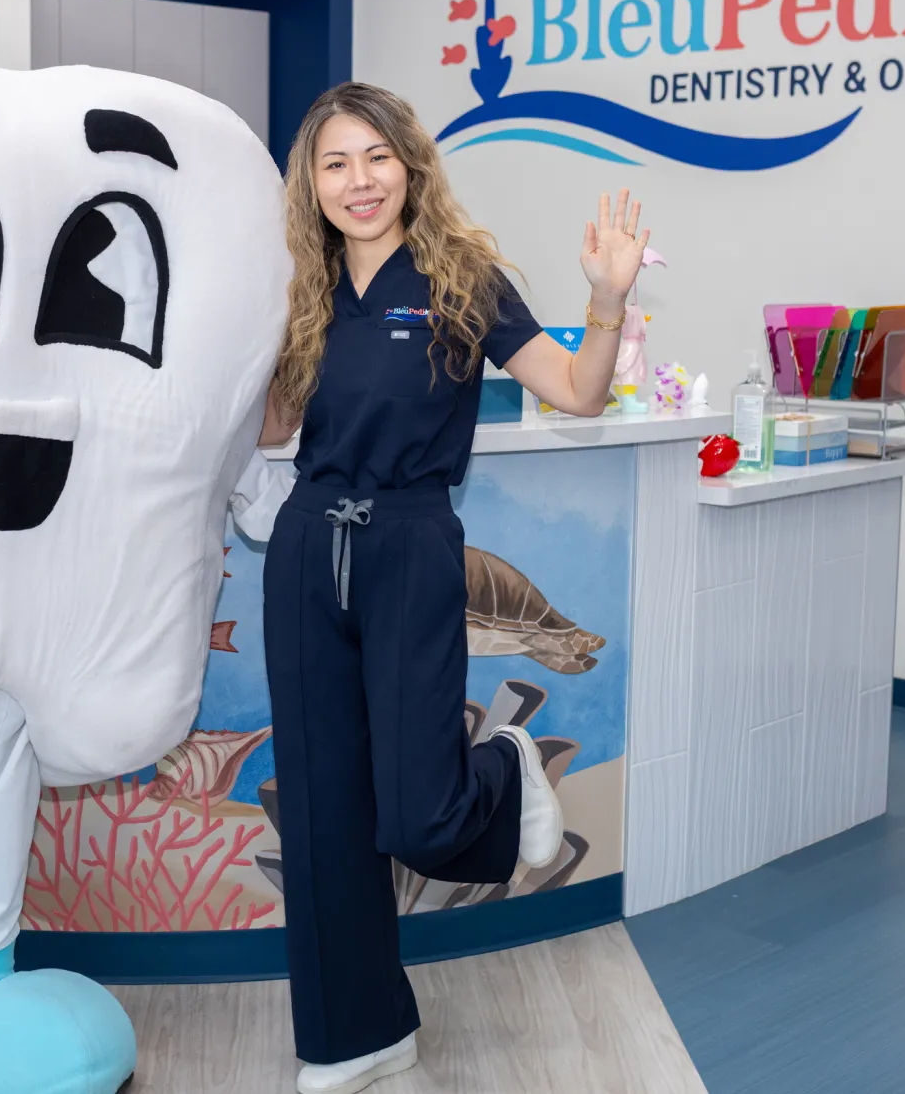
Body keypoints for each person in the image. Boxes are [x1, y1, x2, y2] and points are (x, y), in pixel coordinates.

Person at [256, 81, 650, 1094]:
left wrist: (604, 305)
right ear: (312, 180)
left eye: (374, 157)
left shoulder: (462, 278)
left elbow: (575, 391)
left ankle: (507, 770)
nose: (357, 181)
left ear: (409, 164)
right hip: (307, 548)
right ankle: (358, 1035)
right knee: (319, 814)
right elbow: (269, 432)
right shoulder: (298, 284)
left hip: (408, 544)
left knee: (417, 817)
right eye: (334, 162)